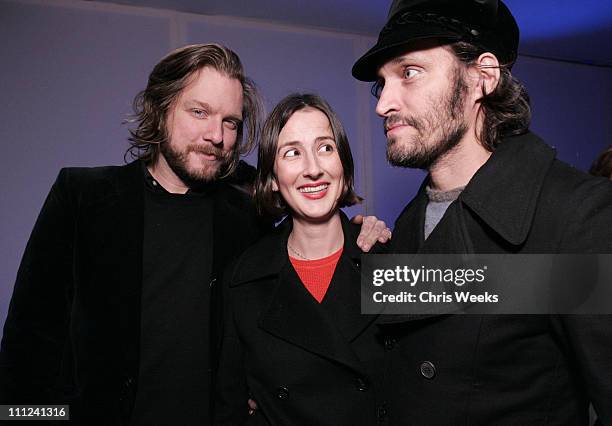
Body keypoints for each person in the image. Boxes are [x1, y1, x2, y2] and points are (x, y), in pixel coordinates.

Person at [0, 44, 388, 425]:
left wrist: (368, 236)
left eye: (230, 122)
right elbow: (27, 343)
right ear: (160, 108)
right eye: (199, 112)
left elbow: (310, 213)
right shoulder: (83, 196)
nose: (216, 135)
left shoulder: (247, 209)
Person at [351, 0, 612, 424]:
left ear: (482, 77)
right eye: (383, 83)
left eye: (409, 73)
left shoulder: (578, 215)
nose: (383, 104)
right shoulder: (406, 224)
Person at [214, 93, 386, 425]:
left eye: (325, 148)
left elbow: (506, 288)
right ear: (273, 180)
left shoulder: (389, 260)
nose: (313, 169)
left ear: (344, 167)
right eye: (292, 153)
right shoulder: (244, 280)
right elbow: (229, 406)